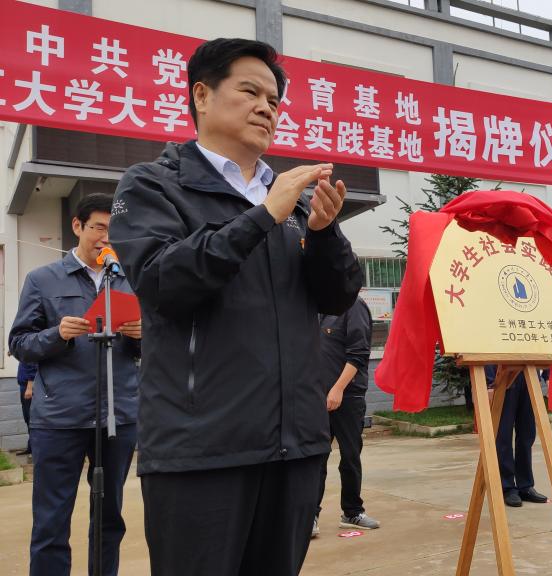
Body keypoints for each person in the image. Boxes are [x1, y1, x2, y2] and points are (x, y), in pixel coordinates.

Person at [109, 38, 362, 576]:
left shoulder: (292, 201)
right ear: (202, 95)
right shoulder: (154, 185)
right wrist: (261, 216)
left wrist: (322, 234)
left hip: (295, 448)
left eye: (274, 99)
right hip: (201, 453)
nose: (266, 107)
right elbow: (162, 282)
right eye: (250, 91)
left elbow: (338, 298)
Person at [9, 193, 142, 576]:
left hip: (117, 416)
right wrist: (57, 334)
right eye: (98, 227)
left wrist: (141, 336)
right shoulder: (42, 279)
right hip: (59, 418)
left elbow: (152, 348)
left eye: (113, 230)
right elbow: (19, 343)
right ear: (77, 226)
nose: (106, 237)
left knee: (110, 518)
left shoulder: (129, 280)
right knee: (51, 520)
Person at [314, 297, 379, 539]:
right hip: (318, 397)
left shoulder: (354, 307)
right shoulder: (319, 308)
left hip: (347, 396)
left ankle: (352, 512)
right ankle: (309, 515)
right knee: (315, 458)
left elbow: (358, 354)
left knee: (350, 456)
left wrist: (338, 389)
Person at [484, 366, 549, 508]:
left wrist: (545, 375)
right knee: (503, 436)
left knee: (527, 435)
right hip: (503, 375)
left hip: (529, 375)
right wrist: (490, 382)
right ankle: (507, 487)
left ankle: (525, 485)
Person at [15, 359, 37, 456]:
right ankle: (30, 447)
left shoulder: (29, 353)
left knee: (31, 418)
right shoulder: (23, 353)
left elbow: (33, 367)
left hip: (28, 387)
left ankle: (35, 449)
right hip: (23, 386)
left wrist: (29, 388)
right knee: (27, 418)